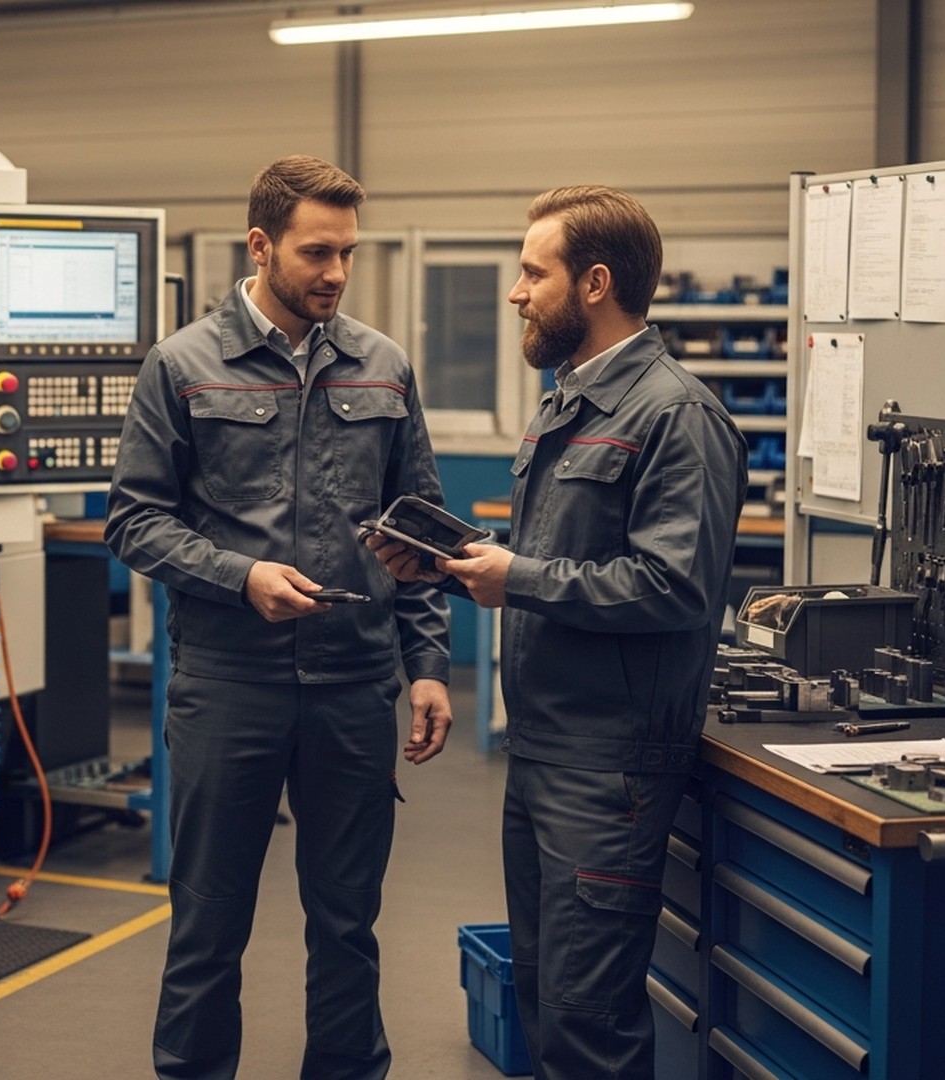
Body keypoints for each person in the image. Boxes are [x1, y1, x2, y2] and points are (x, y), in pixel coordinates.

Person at [368, 185, 746, 1080]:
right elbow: (561, 565)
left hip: (609, 765)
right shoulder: (570, 403)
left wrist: (519, 578)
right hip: (546, 749)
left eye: (533, 273)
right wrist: (455, 568)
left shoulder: (676, 416)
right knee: (545, 1005)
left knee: (587, 1027)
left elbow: (676, 586)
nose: (516, 292)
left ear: (595, 283)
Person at [106, 155, 454, 1080]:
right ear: (260, 246)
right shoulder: (182, 364)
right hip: (229, 686)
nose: (336, 273)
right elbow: (133, 521)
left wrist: (426, 665)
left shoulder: (384, 366)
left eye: (348, 253)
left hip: (354, 684)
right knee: (207, 924)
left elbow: (418, 531)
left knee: (348, 925)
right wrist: (239, 576)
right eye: (316, 253)